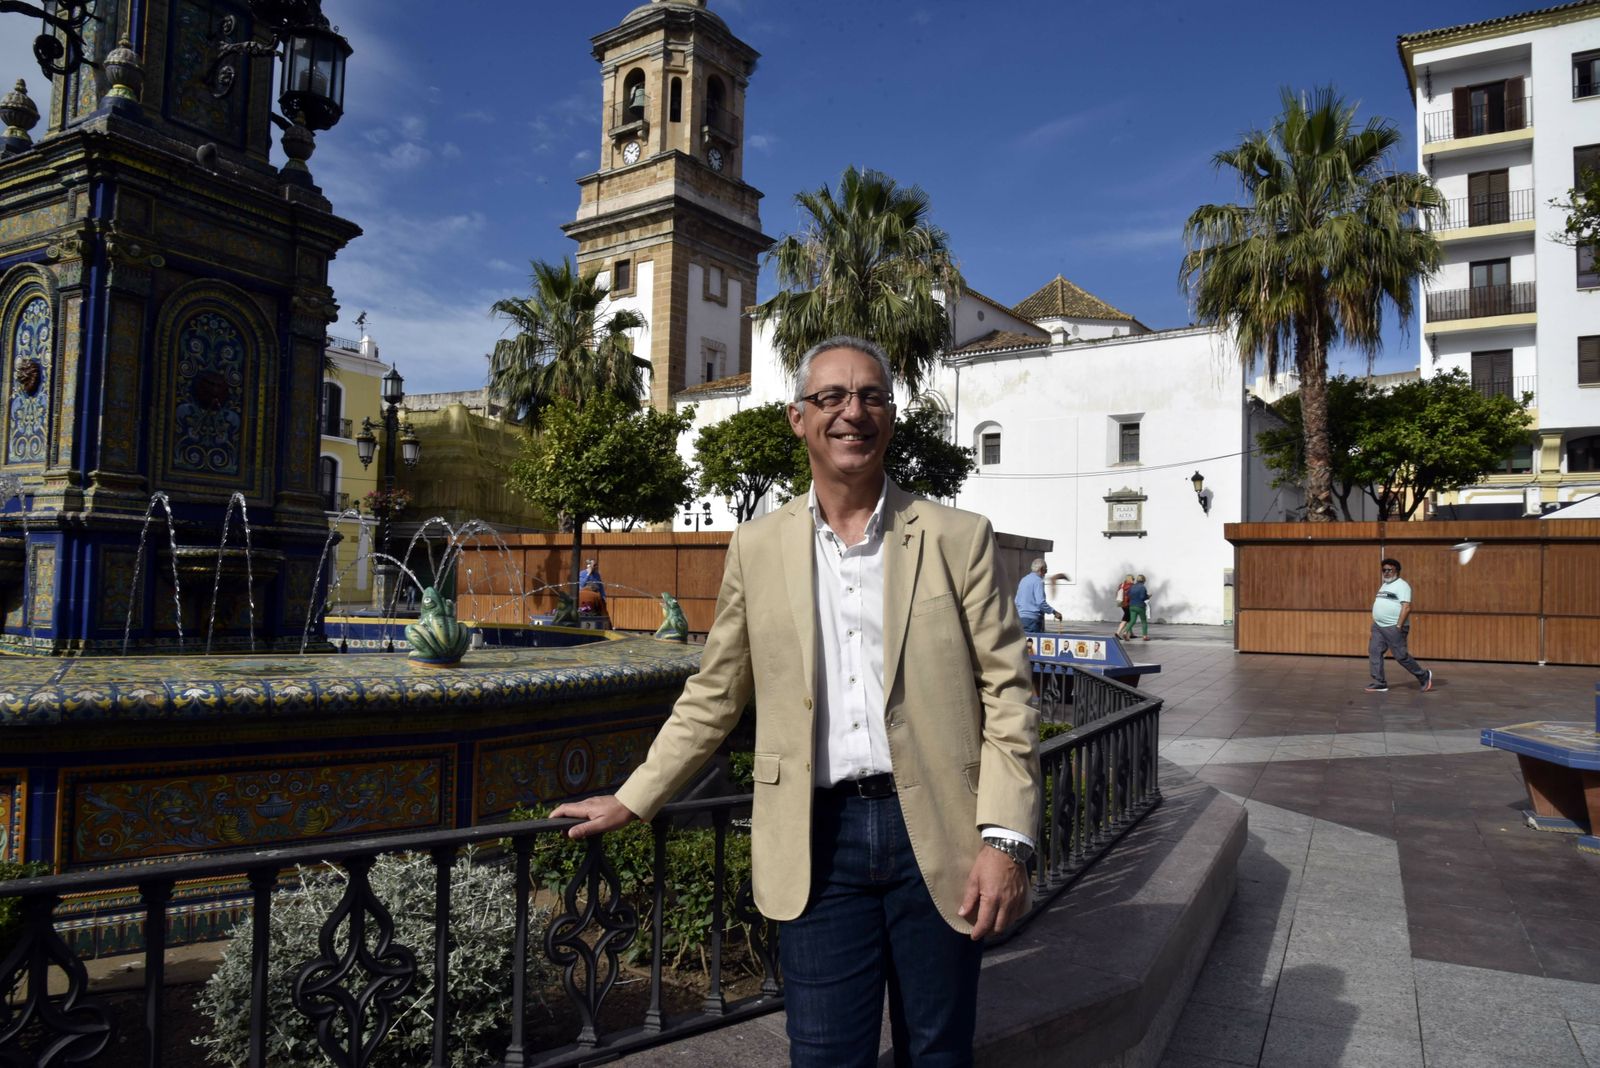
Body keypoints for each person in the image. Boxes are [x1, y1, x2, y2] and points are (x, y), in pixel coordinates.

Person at [553, 336, 1040, 1067]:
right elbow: (715, 693)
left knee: (938, 1052)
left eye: (871, 396)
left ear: (890, 416)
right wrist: (634, 797)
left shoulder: (955, 537)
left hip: (940, 832)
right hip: (817, 840)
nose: (853, 413)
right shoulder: (757, 547)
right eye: (832, 397)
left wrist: (1005, 841)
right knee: (823, 1055)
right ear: (798, 418)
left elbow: (1008, 694)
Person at [1367, 557, 1433, 692]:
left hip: (1394, 627)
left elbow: (1406, 607)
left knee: (1401, 656)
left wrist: (1398, 626)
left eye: (1389, 570)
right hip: (1378, 626)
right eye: (1384, 570)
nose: (1386, 573)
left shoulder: (1402, 585)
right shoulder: (1385, 585)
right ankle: (1380, 682)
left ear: (1396, 571)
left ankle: (1423, 675)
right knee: (1374, 651)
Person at [1014, 558, 1062, 634]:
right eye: (1045, 570)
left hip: (1021, 619)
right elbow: (1040, 602)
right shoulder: (1038, 581)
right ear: (1041, 569)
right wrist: (1054, 612)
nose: (1045, 573)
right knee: (1034, 641)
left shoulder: (1024, 580)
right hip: (1033, 621)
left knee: (1024, 641)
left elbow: (1016, 601)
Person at [1127, 574, 1151, 640]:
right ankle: (1144, 636)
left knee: (1132, 621)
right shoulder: (1142, 587)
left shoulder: (1132, 586)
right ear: (1143, 580)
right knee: (1143, 621)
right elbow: (1142, 597)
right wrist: (1148, 596)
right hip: (1140, 606)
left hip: (1132, 606)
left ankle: (1125, 632)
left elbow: (1127, 594)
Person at [1112, 573, 1134, 639]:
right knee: (1125, 619)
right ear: (1131, 579)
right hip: (1129, 604)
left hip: (1122, 604)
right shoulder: (1132, 586)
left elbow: (1117, 593)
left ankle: (1131, 634)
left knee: (1128, 618)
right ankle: (1118, 632)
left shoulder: (1121, 585)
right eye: (1133, 579)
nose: (1134, 580)